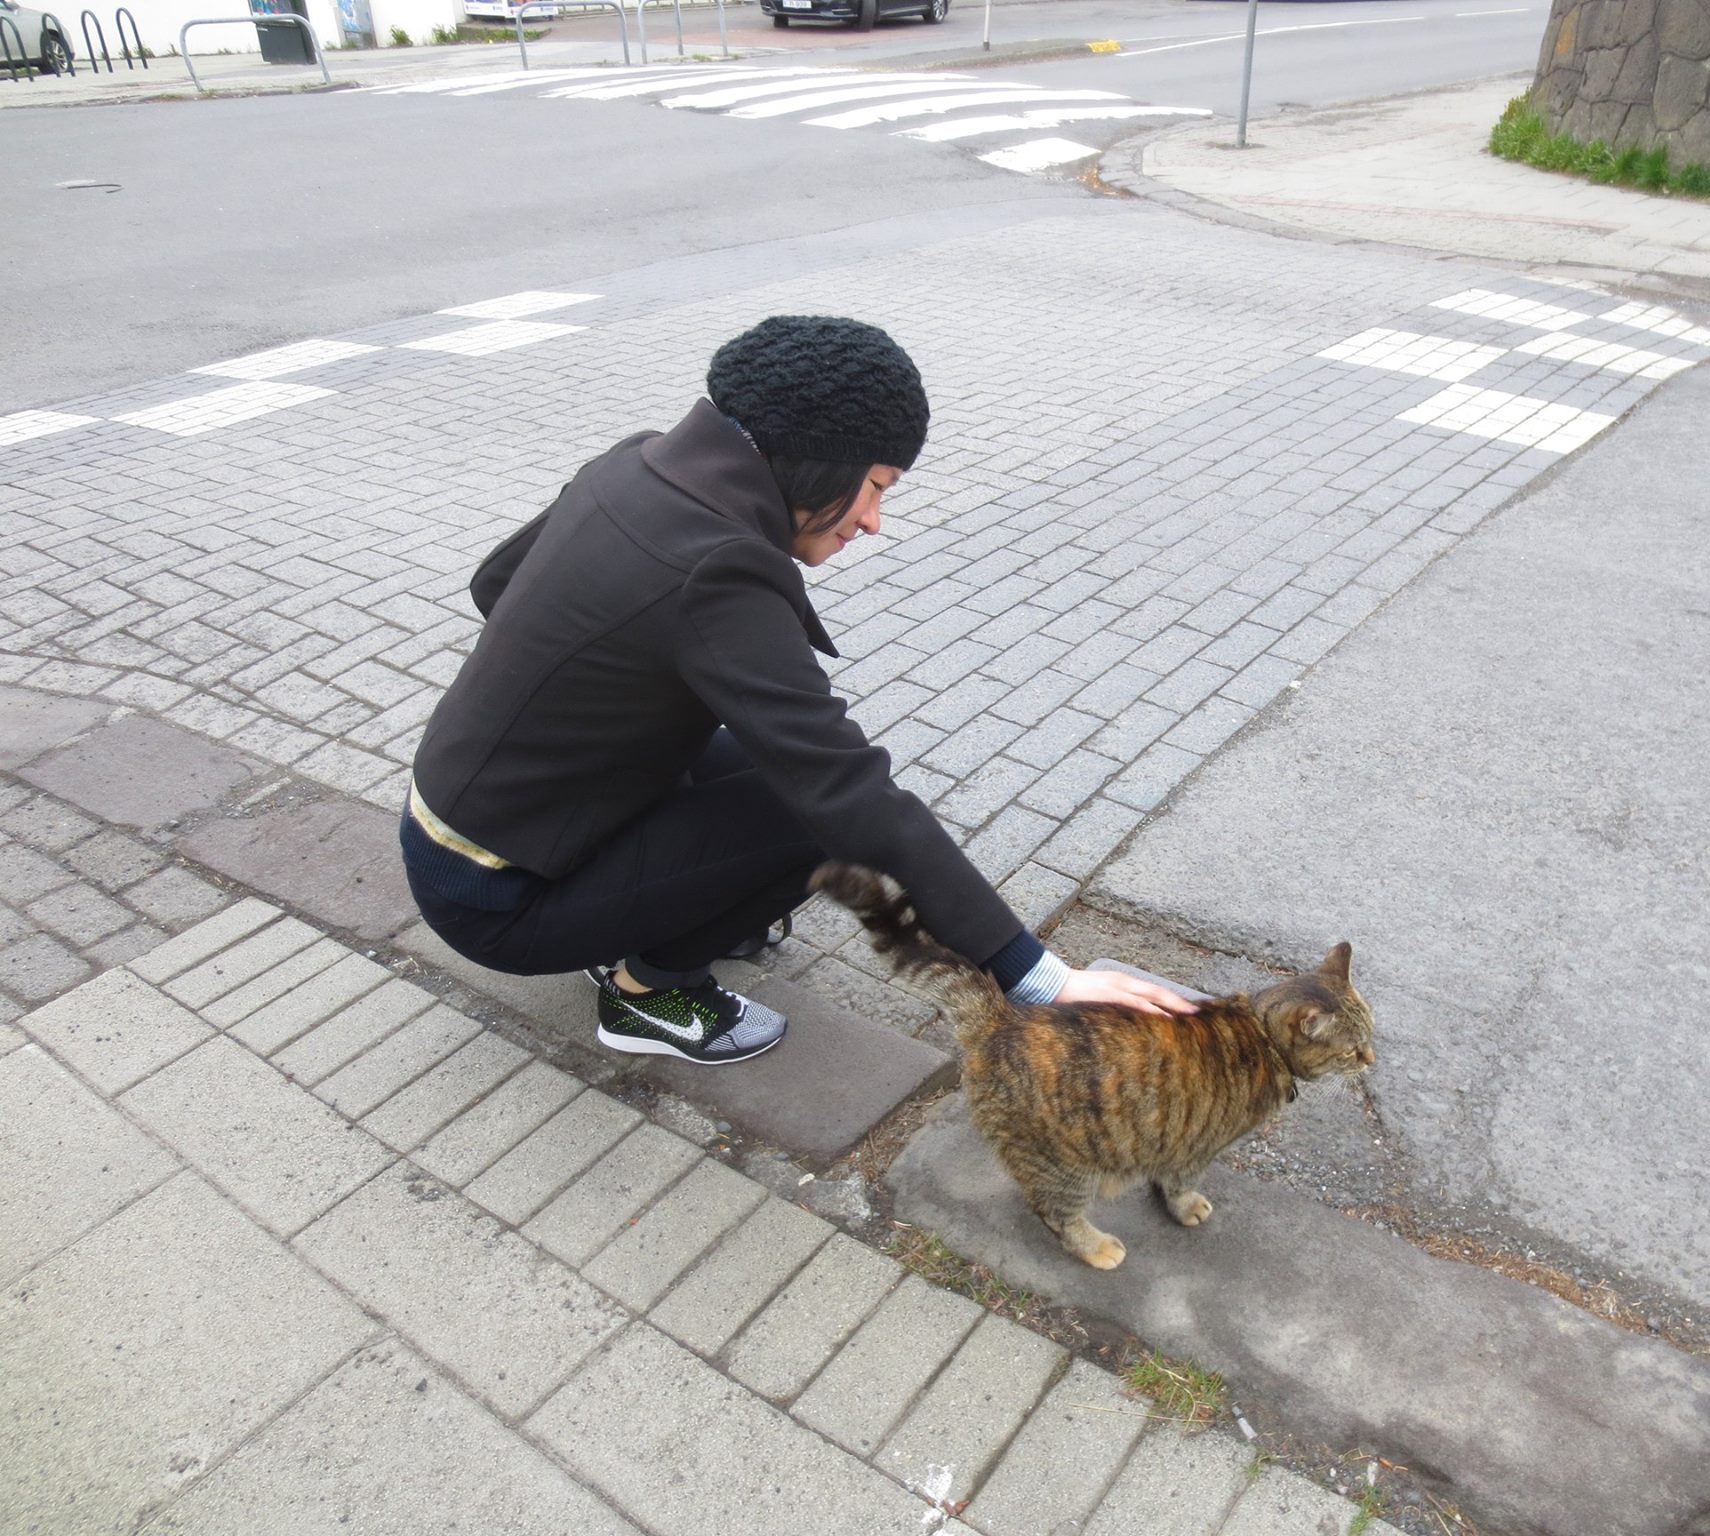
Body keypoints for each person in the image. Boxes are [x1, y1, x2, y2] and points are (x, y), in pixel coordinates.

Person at [401, 314, 1192, 1067]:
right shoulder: (717, 571)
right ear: (819, 464)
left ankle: (671, 901)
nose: (876, 521)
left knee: (758, 759)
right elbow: (851, 795)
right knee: (814, 816)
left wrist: (616, 707)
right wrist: (1041, 977)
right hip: (498, 901)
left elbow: (494, 583)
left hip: (461, 826)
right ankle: (645, 992)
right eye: (877, 486)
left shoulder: (635, 463)